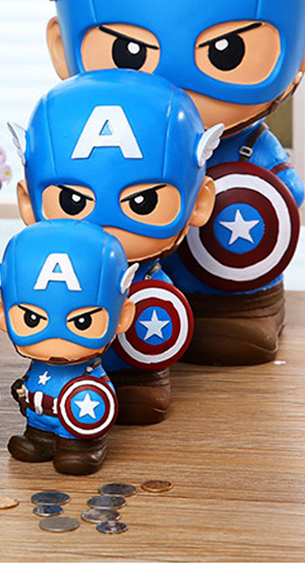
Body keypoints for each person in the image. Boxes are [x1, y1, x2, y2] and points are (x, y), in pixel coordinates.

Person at [24, 0, 305, 365]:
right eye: (129, 54)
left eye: (227, 51)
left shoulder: (246, 151)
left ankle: (241, 306)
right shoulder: (98, 141)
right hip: (124, 296)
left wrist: (268, 200)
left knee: (232, 322)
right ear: (64, 50)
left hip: (227, 280)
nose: (175, 89)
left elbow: (280, 193)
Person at [11, 69, 218, 422]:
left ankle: (136, 379)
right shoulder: (45, 266)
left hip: (133, 365)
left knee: (140, 391)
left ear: (199, 202)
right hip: (57, 372)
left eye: (143, 203)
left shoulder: (150, 283)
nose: (105, 226)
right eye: (73, 202)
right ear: (29, 205)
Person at [0, 220, 136, 475]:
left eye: (83, 322)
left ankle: (81, 446)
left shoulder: (89, 376)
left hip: (76, 427)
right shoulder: (37, 365)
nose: (57, 341)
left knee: (75, 452)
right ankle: (40, 439)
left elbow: (97, 401)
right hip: (38, 417)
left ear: (122, 318)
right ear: (2, 314)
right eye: (32, 319)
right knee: (36, 435)